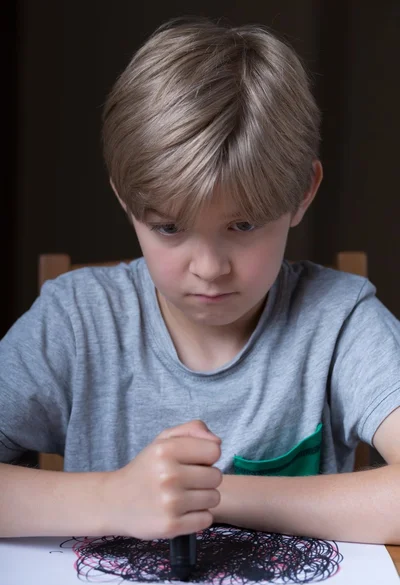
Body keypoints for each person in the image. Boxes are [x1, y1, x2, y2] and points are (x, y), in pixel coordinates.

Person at [1, 16, 400, 544]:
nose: (209, 267)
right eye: (169, 228)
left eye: (243, 225)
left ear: (303, 192)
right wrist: (113, 498)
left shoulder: (340, 322)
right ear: (125, 196)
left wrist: (209, 495)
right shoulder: (75, 323)